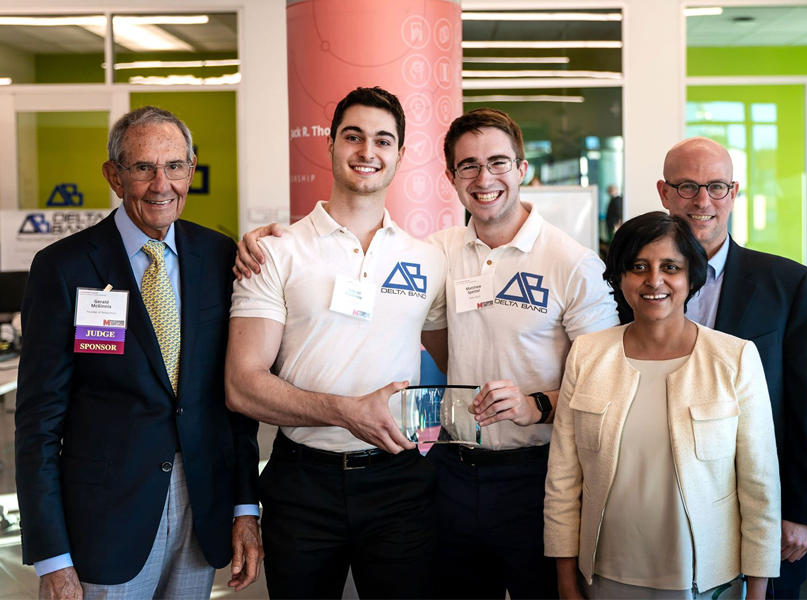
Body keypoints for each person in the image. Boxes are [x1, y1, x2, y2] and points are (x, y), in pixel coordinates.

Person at [233, 107, 620, 599]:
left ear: (523, 170)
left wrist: (534, 404)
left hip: (536, 476)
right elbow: (441, 345)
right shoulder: (436, 253)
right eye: (469, 167)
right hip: (448, 472)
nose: (485, 179)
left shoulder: (575, 263)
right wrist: (256, 240)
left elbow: (607, 385)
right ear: (450, 178)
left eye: (499, 163)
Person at [15, 106, 262, 600]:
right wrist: (52, 557)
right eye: (142, 167)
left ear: (191, 170)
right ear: (114, 175)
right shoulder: (63, 268)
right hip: (106, 522)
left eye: (174, 166)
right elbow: (39, 423)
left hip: (202, 508)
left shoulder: (218, 257)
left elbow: (233, 402)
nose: (161, 184)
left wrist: (245, 509)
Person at [225, 87, 447, 599]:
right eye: (354, 136)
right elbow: (242, 385)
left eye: (383, 140)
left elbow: (455, 357)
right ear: (329, 145)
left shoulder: (429, 258)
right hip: (303, 486)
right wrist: (347, 411)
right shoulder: (276, 253)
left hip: (402, 483)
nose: (368, 152)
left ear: (400, 156)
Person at [619, 137, 807, 599]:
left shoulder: (790, 285)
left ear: (734, 193)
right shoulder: (631, 281)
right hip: (648, 507)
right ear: (663, 192)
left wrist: (800, 511)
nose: (703, 201)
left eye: (717, 187)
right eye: (687, 186)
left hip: (756, 507)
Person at [546, 211, 781, 600]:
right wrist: (565, 576)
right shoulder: (587, 355)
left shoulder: (734, 358)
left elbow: (760, 486)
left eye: (670, 267)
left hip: (706, 580)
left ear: (692, 277)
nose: (654, 280)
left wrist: (757, 588)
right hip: (604, 574)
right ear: (619, 277)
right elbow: (563, 478)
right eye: (638, 267)